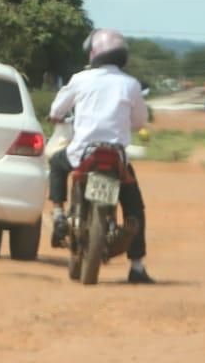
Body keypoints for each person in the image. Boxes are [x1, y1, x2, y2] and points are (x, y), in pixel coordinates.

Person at [47, 28, 153, 284]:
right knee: (134, 208)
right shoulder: (131, 84)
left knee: (56, 163)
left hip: (82, 155)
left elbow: (56, 110)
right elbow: (140, 120)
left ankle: (59, 213)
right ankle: (137, 266)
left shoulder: (81, 79)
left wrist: (58, 117)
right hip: (115, 158)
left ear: (94, 54)